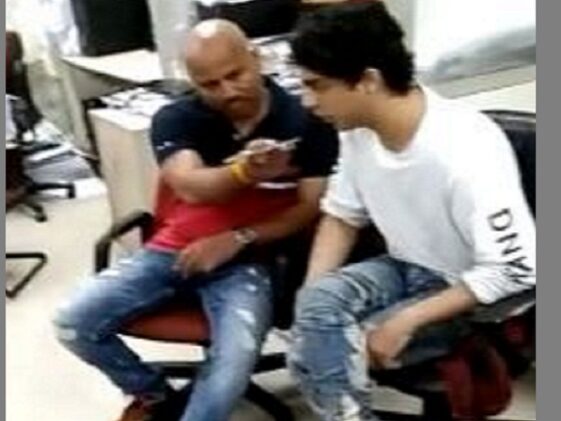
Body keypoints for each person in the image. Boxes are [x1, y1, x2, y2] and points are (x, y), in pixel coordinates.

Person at [54, 19, 338, 421]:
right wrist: (244, 172)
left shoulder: (307, 120)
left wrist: (237, 238)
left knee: (230, 370)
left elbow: (310, 208)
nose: (227, 91)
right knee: (72, 322)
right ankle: (155, 397)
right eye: (210, 84)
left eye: (235, 75)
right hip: (173, 249)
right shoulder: (177, 117)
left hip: (250, 260)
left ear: (256, 58)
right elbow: (190, 186)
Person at [286, 3, 536, 420]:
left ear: (368, 81)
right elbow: (342, 215)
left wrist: (405, 322)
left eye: (317, 85)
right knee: (314, 327)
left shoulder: (463, 147)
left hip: (468, 289)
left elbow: (518, 270)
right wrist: (311, 302)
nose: (307, 101)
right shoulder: (356, 129)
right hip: (406, 266)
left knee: (333, 350)